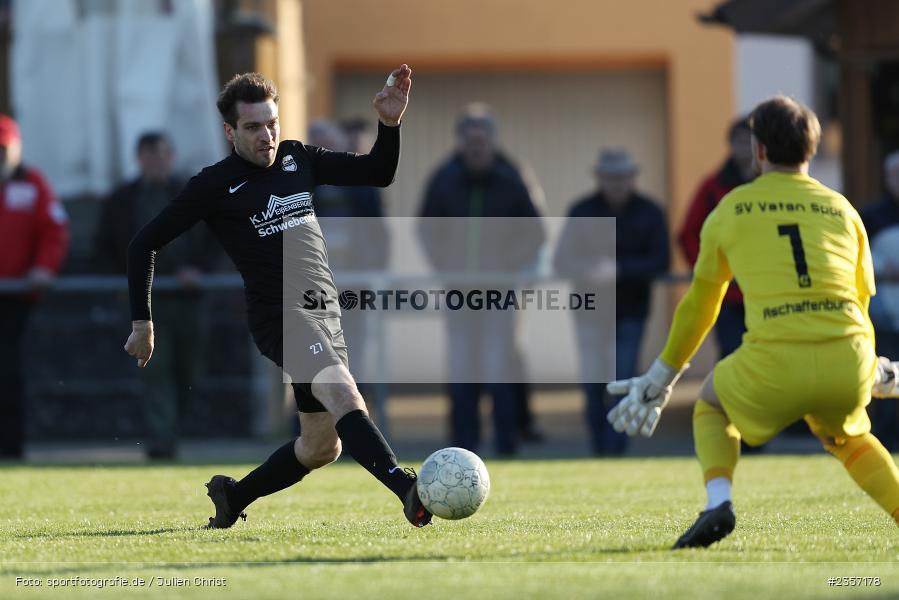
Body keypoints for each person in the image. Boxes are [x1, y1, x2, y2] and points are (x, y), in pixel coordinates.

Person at [123, 65, 435, 528]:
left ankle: (233, 497)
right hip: (281, 318)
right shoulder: (214, 184)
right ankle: (406, 489)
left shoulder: (297, 158)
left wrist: (389, 125)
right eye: (253, 127)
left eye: (272, 123)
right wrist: (142, 322)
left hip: (324, 314)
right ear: (230, 132)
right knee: (345, 393)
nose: (267, 135)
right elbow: (143, 244)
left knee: (321, 446)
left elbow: (379, 173)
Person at [606, 96, 899, 548]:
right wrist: (870, 367)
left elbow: (702, 303)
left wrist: (663, 376)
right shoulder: (843, 209)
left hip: (776, 361)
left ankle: (718, 502)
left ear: (759, 150)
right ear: (811, 148)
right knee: (851, 439)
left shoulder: (731, 208)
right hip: (848, 356)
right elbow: (859, 301)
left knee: (711, 404)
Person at [418, 103, 545, 456]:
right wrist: (444, 265)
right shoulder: (443, 179)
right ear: (460, 141)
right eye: (470, 140)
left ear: (492, 140)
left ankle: (506, 444)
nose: (477, 147)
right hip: (458, 293)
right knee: (462, 369)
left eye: (482, 140)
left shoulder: (513, 177)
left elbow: (535, 232)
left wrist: (508, 264)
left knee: (498, 368)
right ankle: (462, 446)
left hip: (499, 292)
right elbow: (426, 228)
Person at [95, 132, 219, 459]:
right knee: (155, 370)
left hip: (187, 297)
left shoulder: (192, 193)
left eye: (161, 155)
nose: (156, 162)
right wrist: (125, 283)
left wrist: (199, 270)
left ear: (171, 157)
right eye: (149, 155)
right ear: (139, 160)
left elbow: (216, 239)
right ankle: (162, 440)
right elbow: (104, 247)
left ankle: (172, 429)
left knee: (189, 370)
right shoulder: (123, 199)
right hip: (147, 302)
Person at [554, 148, 669, 455]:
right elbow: (562, 260)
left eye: (622, 177)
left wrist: (619, 270)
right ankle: (599, 447)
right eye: (610, 177)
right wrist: (588, 270)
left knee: (623, 380)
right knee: (593, 384)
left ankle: (618, 448)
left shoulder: (650, 212)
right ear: (600, 178)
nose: (616, 183)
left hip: (630, 311)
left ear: (632, 178)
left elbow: (660, 260)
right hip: (590, 311)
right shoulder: (582, 210)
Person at [0, 114, 69, 459]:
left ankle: (10, 447)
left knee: (8, 371)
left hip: (16, 296)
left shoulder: (34, 184)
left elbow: (53, 230)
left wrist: (44, 268)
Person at [678, 117, 754, 358]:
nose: (745, 148)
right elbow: (688, 233)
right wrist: (708, 269)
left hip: (763, 291)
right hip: (726, 293)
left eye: (750, 141)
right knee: (731, 355)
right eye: (740, 141)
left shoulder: (770, 186)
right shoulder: (713, 187)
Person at [860, 151, 899, 449]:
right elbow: (856, 259)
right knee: (886, 378)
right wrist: (884, 270)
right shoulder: (871, 216)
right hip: (885, 311)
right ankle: (888, 441)